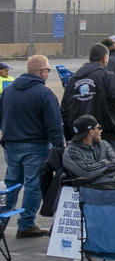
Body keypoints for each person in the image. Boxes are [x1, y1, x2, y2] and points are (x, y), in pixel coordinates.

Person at [2, 55, 63, 240]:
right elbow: (54, 125)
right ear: (42, 72)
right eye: (48, 70)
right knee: (33, 186)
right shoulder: (44, 93)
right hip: (35, 146)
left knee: (11, 185)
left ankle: (1, 222)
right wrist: (60, 149)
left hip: (11, 144)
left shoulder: (9, 91)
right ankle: (26, 224)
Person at [61, 44, 115, 149]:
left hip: (81, 137)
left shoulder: (73, 80)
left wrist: (69, 136)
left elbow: (64, 110)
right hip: (107, 135)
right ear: (104, 59)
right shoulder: (106, 77)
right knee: (111, 163)